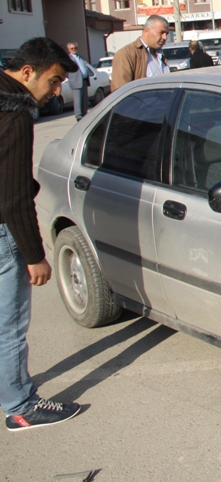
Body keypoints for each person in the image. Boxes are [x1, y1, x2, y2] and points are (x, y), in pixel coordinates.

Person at [1, 38, 83, 431]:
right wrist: (34, 255)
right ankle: (20, 406)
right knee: (10, 326)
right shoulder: (14, 113)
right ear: (27, 72)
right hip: (4, 234)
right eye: (53, 82)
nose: (55, 92)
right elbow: (13, 197)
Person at [111, 15, 171, 91]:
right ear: (147, 31)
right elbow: (120, 91)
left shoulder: (160, 55)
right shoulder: (127, 54)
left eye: (166, 34)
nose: (164, 37)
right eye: (161, 33)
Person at [65, 41, 90, 121]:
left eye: (75, 48)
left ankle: (84, 114)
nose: (74, 49)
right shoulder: (68, 59)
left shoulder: (80, 57)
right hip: (76, 82)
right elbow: (66, 71)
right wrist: (71, 78)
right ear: (69, 50)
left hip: (84, 81)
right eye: (72, 48)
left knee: (84, 100)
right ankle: (78, 116)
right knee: (78, 101)